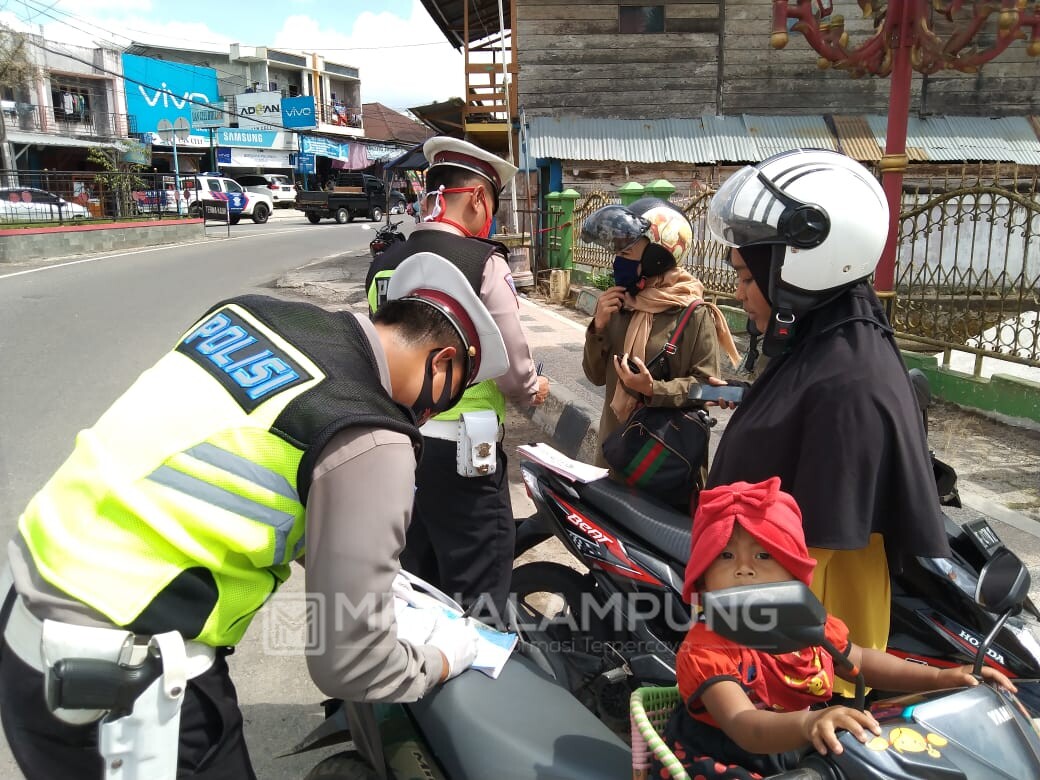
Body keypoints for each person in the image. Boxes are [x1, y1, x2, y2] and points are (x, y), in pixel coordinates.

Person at [0, 252, 509, 779]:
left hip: (26, 618)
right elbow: (351, 663)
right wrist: (445, 657)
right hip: (120, 687)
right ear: (444, 363)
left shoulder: (247, 315)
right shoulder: (372, 434)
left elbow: (242, 464)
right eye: (457, 387)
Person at [702, 148, 951, 697]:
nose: (741, 293)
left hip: (811, 681)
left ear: (799, 268)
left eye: (746, 275)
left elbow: (809, 554)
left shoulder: (845, 386)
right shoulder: (827, 347)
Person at [658, 477, 1016, 780]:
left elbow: (859, 658)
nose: (745, 569)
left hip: (808, 747)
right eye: (725, 555)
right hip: (736, 760)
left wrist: (941, 678)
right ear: (703, 575)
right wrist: (809, 723)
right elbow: (744, 724)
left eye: (763, 555)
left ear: (793, 570)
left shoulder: (807, 621)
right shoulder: (707, 648)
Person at [365, 136, 549, 621]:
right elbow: (512, 368)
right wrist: (533, 388)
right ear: (479, 199)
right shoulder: (481, 262)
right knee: (479, 585)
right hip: (466, 452)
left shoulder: (384, 262)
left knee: (416, 578)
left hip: (399, 443)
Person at [580, 197, 740, 490]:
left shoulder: (694, 314)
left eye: (627, 251)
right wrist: (598, 327)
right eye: (617, 251)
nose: (618, 260)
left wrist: (653, 390)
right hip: (614, 454)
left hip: (665, 462)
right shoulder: (619, 305)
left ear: (657, 255)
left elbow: (705, 387)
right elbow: (595, 376)